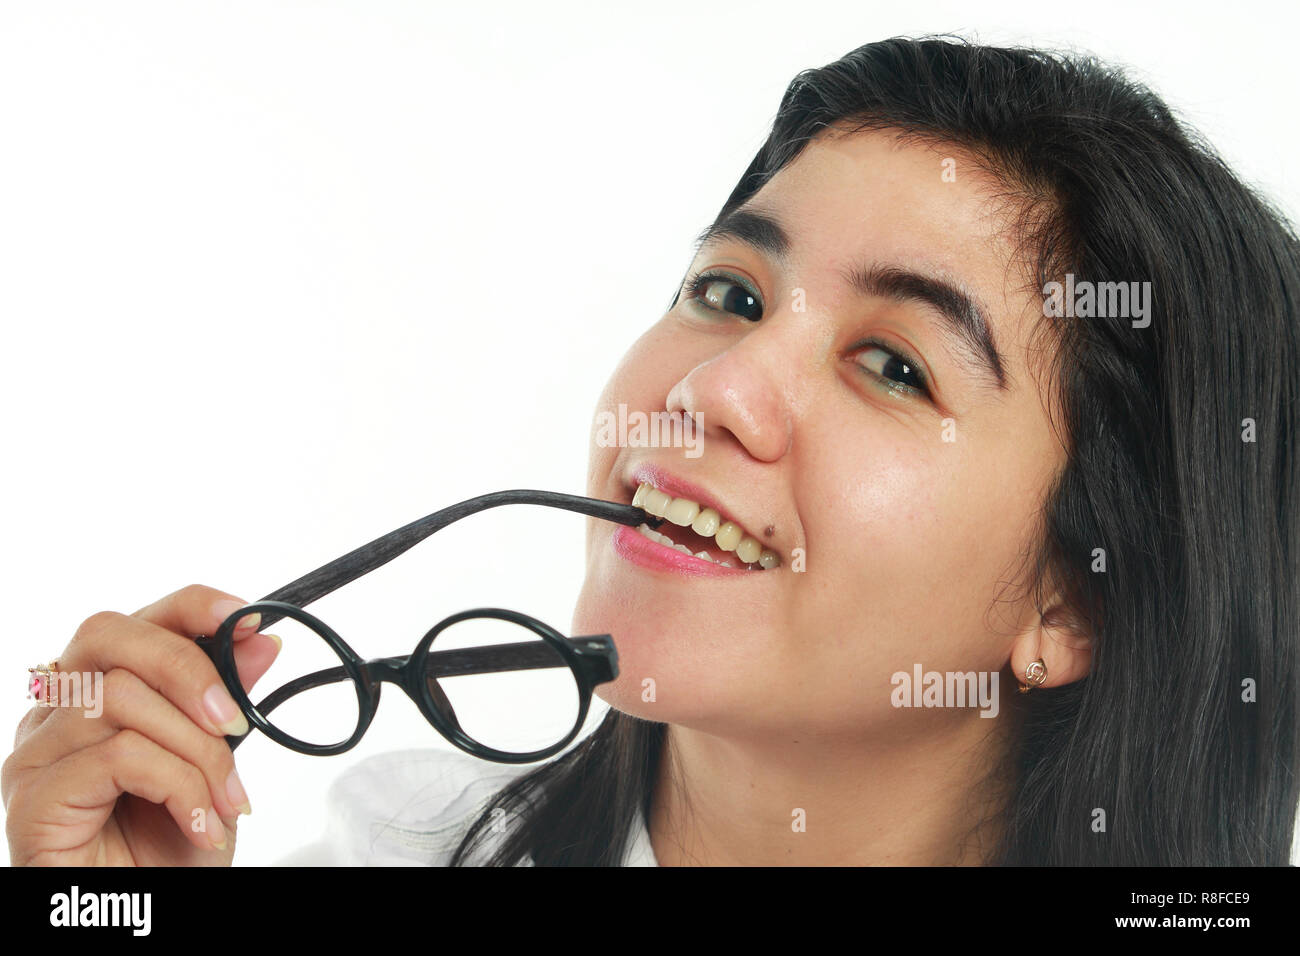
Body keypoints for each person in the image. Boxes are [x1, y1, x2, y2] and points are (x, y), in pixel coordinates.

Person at [6, 36, 1298, 867]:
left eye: (894, 365)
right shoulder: (396, 845)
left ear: (1072, 600)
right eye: (730, 293)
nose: (718, 385)